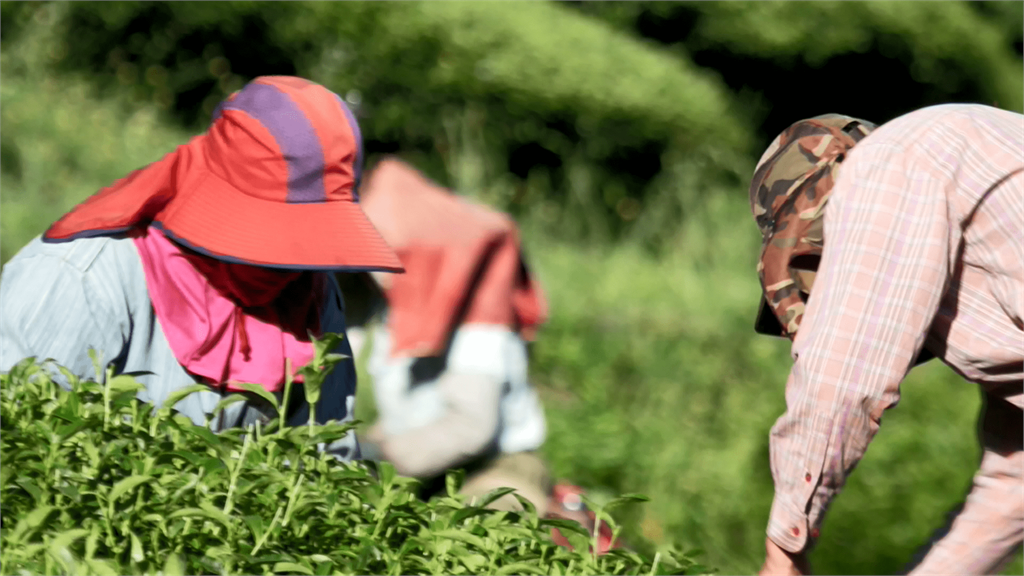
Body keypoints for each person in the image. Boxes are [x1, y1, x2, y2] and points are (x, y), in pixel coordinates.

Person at [0, 76, 403, 461]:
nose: (288, 264)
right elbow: (20, 451)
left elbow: (326, 468)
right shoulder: (82, 279)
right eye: (273, 230)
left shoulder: (311, 293)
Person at [747, 104, 1023, 575]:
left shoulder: (891, 164)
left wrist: (783, 554)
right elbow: (1014, 484)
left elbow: (843, 380)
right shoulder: (974, 155)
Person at [340, 158, 616, 550]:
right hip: (425, 471)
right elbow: (409, 414)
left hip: (496, 467)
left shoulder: (478, 315)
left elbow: (470, 427)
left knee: (473, 539)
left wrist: (369, 454)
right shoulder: (400, 311)